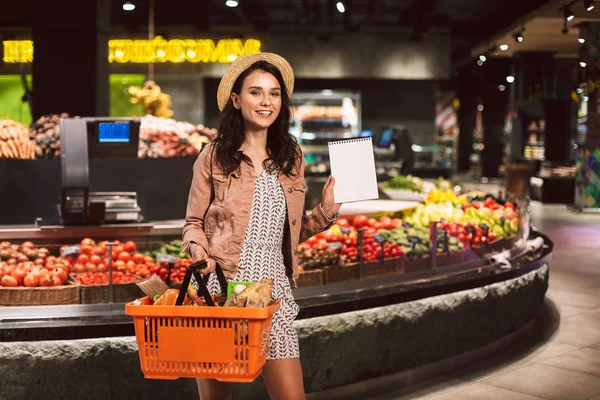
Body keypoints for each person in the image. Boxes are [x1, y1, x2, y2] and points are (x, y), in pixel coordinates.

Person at [182, 53, 342, 400]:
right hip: (222, 289)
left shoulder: (291, 158)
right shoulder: (213, 156)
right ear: (237, 101)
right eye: (256, 93)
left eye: (274, 93)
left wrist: (325, 213)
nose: (266, 101)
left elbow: (289, 233)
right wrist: (200, 253)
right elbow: (193, 223)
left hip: (274, 291)